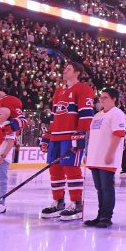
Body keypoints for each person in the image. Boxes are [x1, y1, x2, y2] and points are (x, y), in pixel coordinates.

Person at [39, 61, 95, 221]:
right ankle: (58, 201)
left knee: (71, 168)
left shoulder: (84, 89)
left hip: (71, 136)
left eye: (68, 68)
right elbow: (54, 116)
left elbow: (86, 114)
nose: (65, 70)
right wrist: (47, 136)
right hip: (56, 136)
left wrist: (80, 135)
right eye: (64, 68)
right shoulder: (58, 92)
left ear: (77, 72)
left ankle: (76, 203)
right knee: (54, 169)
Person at [83, 87, 126, 228]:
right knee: (99, 188)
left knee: (106, 187)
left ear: (114, 99)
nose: (101, 100)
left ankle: (106, 216)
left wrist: (110, 153)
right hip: (95, 157)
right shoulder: (97, 116)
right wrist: (88, 153)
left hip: (107, 158)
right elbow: (92, 137)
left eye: (105, 97)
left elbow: (118, 134)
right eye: (101, 97)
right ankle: (100, 215)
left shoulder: (117, 114)